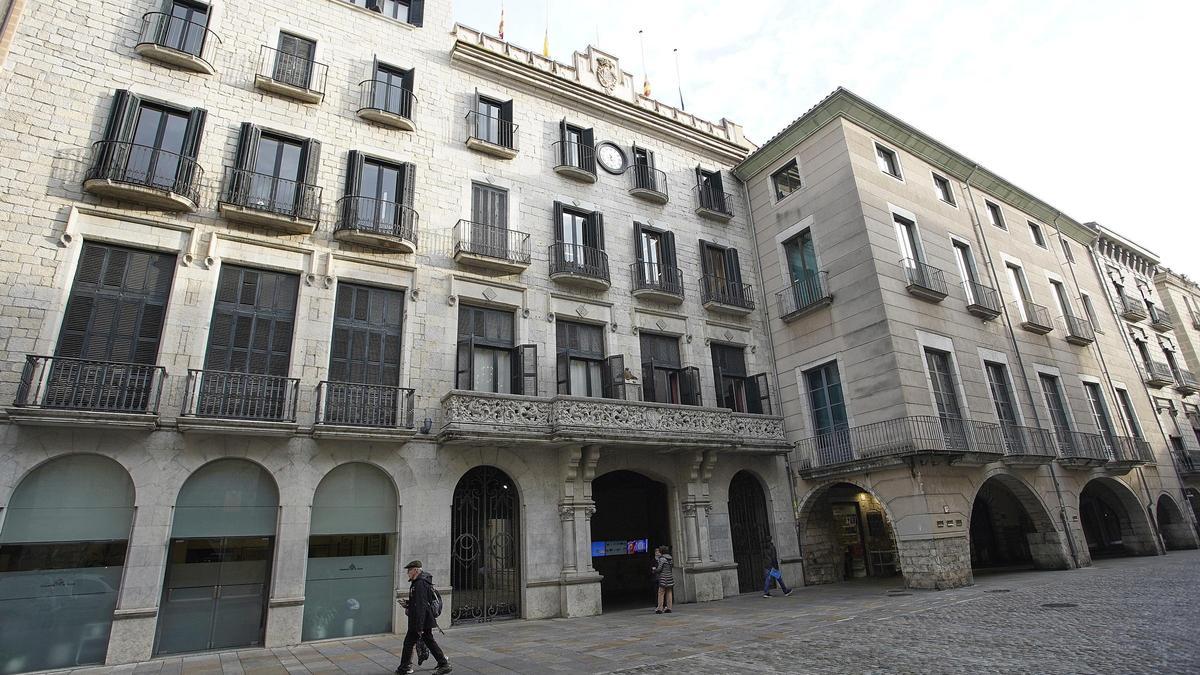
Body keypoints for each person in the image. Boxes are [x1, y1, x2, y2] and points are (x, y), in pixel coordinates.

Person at [395, 561, 452, 675]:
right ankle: (443, 663)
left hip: (420, 620)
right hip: (422, 619)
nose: (408, 573)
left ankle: (405, 667)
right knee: (428, 641)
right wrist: (408, 603)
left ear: (416, 570)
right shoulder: (418, 582)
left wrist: (419, 626)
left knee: (409, 643)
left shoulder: (420, 583)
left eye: (409, 570)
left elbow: (421, 606)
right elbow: (418, 603)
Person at [651, 545, 674, 614]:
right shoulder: (670, 558)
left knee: (661, 593)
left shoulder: (662, 559)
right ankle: (669, 608)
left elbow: (659, 568)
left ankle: (659, 608)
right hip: (670, 577)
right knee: (669, 592)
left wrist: (654, 570)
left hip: (664, 577)